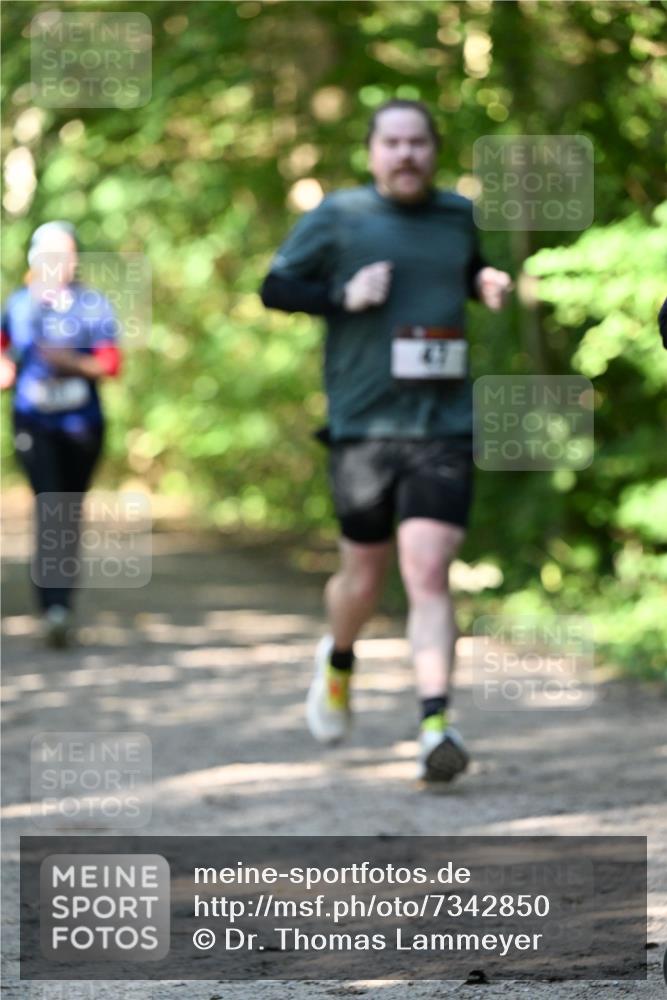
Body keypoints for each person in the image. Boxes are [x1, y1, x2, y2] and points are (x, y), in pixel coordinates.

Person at [260, 99, 511, 783]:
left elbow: (458, 271)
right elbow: (274, 287)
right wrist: (343, 295)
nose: (405, 155)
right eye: (392, 143)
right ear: (372, 153)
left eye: (418, 143)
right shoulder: (340, 216)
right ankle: (338, 658)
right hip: (364, 427)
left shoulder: (457, 215)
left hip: (444, 425)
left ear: (434, 150)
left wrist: (480, 281)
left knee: (427, 569)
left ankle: (435, 725)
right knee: (362, 578)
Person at [1, 221, 121, 647]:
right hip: (34, 423)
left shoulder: (92, 305)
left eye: (68, 255)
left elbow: (110, 365)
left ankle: (61, 603)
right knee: (50, 505)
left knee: (67, 512)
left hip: (82, 426)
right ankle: (54, 607)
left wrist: (69, 363)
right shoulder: (17, 305)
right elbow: (3, 355)